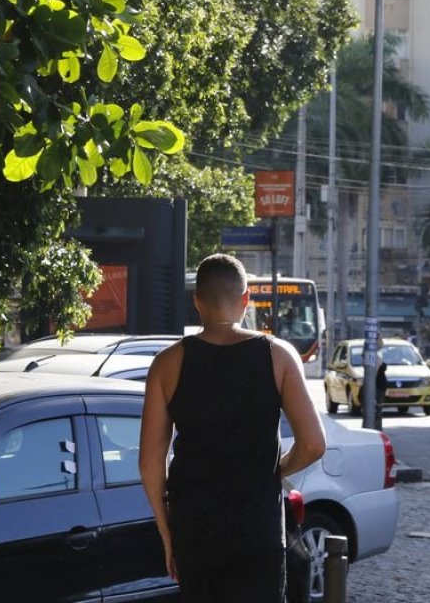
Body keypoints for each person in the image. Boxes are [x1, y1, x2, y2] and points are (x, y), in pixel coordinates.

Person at [139, 254, 326, 603]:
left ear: (197, 301)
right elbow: (314, 444)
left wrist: (167, 533)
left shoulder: (167, 363)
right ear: (246, 300)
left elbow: (150, 463)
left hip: (194, 534)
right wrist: (276, 469)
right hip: (257, 534)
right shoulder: (278, 355)